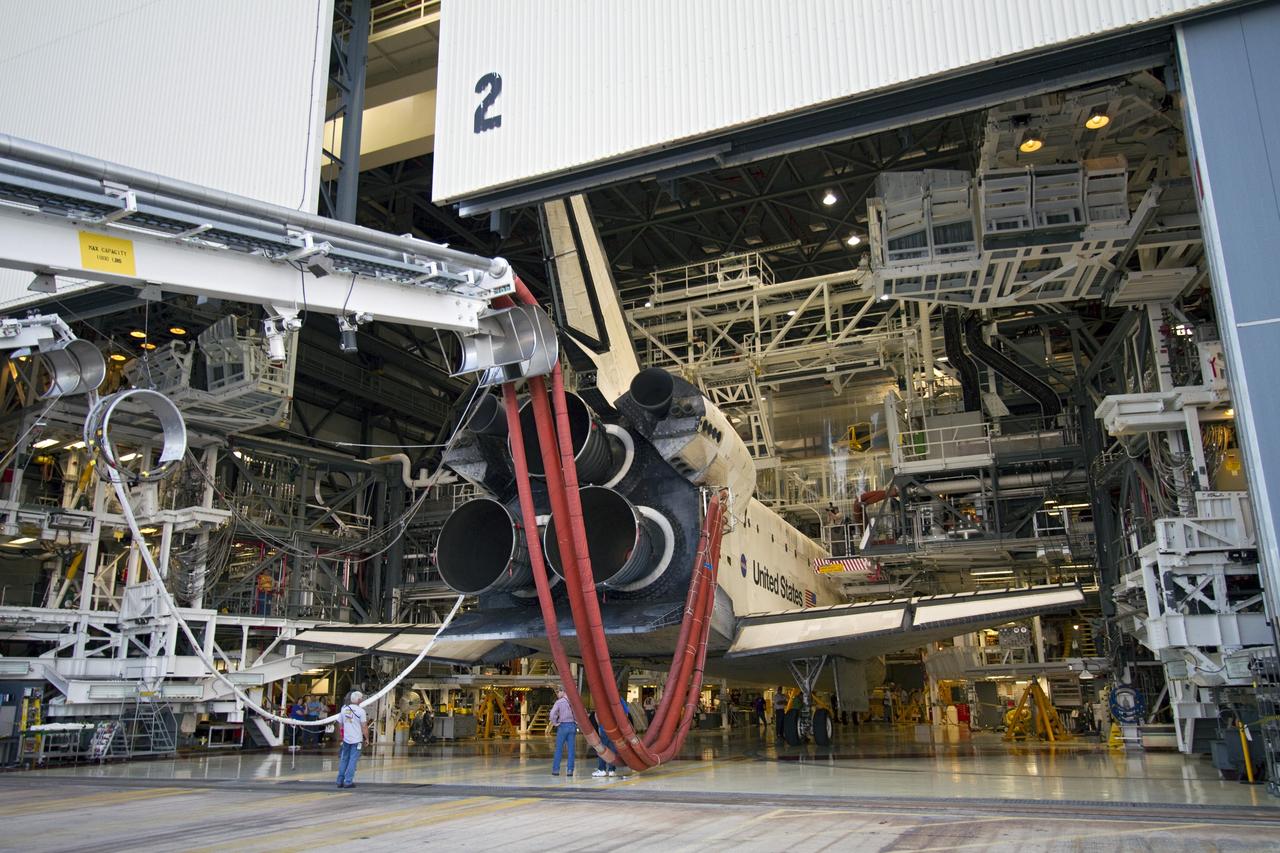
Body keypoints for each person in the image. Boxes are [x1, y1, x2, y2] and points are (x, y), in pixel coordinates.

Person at [336, 691, 369, 789]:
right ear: (359, 700)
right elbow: (364, 727)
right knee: (352, 760)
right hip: (357, 740)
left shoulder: (344, 709)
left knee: (344, 759)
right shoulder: (361, 711)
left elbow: (340, 723)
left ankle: (339, 781)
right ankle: (348, 781)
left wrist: (342, 733)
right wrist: (367, 738)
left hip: (346, 739)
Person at [593, 697, 630, 777]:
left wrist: (600, 725)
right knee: (613, 749)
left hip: (604, 728)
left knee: (602, 749)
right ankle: (611, 770)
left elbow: (597, 713)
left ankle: (602, 769)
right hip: (615, 729)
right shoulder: (619, 699)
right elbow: (626, 713)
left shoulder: (601, 697)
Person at [549, 688, 576, 776]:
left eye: (558, 692)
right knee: (571, 750)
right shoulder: (573, 701)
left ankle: (556, 770)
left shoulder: (559, 702)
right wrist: (576, 722)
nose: (557, 694)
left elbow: (552, 714)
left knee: (559, 749)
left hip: (563, 726)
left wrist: (555, 723)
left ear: (563, 691)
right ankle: (570, 770)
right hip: (572, 726)